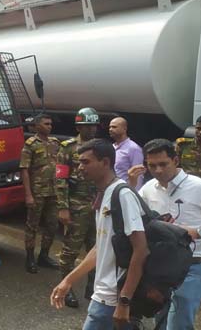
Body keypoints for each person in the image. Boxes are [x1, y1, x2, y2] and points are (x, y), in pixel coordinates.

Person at [137, 138, 201, 329]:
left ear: (176, 160)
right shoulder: (148, 189)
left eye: (163, 164)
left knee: (179, 318)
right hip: (160, 263)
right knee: (160, 315)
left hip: (195, 261)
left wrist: (196, 232)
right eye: (152, 165)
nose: (158, 170)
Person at [51, 139, 149, 330]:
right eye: (79, 162)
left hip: (112, 297)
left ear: (105, 162)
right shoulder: (104, 194)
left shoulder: (122, 195)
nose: (80, 167)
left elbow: (141, 249)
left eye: (86, 162)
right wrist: (68, 280)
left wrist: (124, 302)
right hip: (105, 295)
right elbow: (101, 247)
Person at [56, 107, 99, 308]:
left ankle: (92, 289)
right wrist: (63, 207)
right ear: (78, 127)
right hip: (76, 206)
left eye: (93, 126)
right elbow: (60, 179)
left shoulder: (101, 147)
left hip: (97, 206)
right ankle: (68, 289)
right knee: (70, 251)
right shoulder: (68, 148)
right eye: (86, 126)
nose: (91, 129)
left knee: (96, 249)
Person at [20, 113, 60, 273]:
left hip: (54, 191)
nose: (49, 126)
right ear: (37, 126)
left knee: (52, 225)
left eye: (50, 124)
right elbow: (24, 170)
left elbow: (61, 165)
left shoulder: (55, 143)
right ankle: (30, 258)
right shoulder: (30, 144)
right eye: (46, 124)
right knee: (32, 226)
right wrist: (28, 195)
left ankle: (44, 256)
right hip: (37, 192)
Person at [109, 117, 144, 188]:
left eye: (114, 127)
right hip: (110, 190)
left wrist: (134, 194)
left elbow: (138, 174)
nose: (110, 129)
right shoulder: (111, 147)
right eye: (110, 127)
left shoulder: (133, 148)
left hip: (124, 191)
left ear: (124, 129)